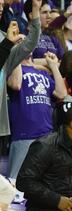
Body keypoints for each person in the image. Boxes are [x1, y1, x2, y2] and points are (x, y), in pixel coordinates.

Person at [7, 52, 67, 179]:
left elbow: (61, 94)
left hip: (47, 137)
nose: (25, 44)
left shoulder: (43, 73)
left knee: (45, 184)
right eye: (20, 42)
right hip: (24, 135)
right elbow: (16, 85)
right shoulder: (13, 69)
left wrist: (54, 66)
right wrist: (16, 55)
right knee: (16, 186)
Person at [0, 0, 41, 138]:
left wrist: (35, 10)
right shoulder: (6, 40)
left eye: (1, 4)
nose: (1, 4)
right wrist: (7, 44)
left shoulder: (4, 37)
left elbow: (29, 45)